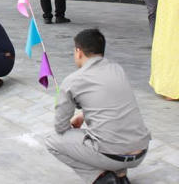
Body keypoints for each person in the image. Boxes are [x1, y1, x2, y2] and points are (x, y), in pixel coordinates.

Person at [45, 29, 150, 184]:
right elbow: (113, 105)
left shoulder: (73, 80)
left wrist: (74, 126)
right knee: (111, 130)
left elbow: (60, 127)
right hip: (141, 150)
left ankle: (102, 178)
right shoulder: (117, 69)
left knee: (52, 140)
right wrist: (83, 115)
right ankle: (121, 176)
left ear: (78, 52)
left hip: (112, 154)